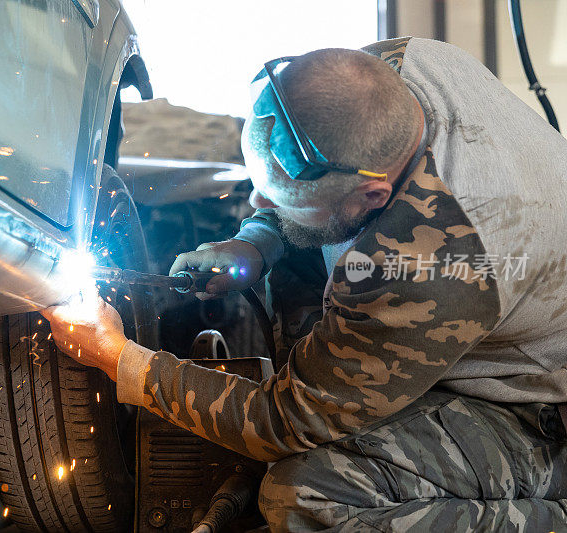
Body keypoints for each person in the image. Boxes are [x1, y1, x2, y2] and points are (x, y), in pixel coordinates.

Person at [42, 37, 567, 531]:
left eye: (275, 200)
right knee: (305, 257)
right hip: (468, 316)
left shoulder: (422, 262)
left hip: (538, 418)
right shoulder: (385, 72)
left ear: (373, 197)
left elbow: (284, 420)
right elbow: (302, 182)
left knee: (304, 494)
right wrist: (255, 245)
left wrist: (118, 358)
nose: (254, 203)